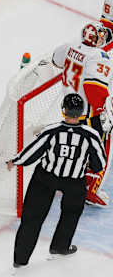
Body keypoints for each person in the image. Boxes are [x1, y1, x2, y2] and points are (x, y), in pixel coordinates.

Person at [7, 94, 106, 269]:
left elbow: (32, 152)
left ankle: (20, 259)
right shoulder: (91, 135)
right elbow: (100, 164)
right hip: (74, 181)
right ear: (82, 112)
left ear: (64, 110)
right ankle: (60, 247)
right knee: (71, 213)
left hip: (45, 179)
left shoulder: (51, 131)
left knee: (32, 218)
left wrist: (15, 161)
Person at [52, 21, 112, 207]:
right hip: (89, 114)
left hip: (69, 108)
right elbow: (93, 88)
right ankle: (91, 190)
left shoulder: (69, 47)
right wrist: (103, 113)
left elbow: (56, 59)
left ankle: (68, 179)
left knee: (73, 147)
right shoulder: (99, 55)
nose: (103, 38)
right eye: (100, 35)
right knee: (100, 148)